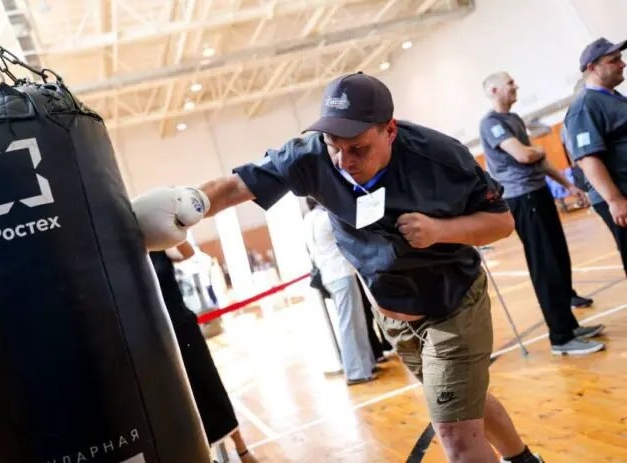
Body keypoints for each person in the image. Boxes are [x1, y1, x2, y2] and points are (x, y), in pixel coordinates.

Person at [133, 72, 548, 463]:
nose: (343, 160)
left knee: (455, 431)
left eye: (358, 149)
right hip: (395, 318)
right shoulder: (312, 155)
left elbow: (501, 222)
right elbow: (238, 185)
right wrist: (190, 203)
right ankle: (524, 458)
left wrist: (441, 230)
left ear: (390, 130)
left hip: (453, 307)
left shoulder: (441, 158)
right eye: (334, 145)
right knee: (466, 402)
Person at [480, 72, 605, 356]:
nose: (516, 86)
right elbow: (523, 155)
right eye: (510, 83)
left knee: (559, 258)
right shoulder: (491, 123)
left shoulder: (514, 119)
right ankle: (560, 336)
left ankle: (569, 325)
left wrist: (569, 185)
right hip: (523, 199)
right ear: (494, 90)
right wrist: (535, 149)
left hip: (539, 193)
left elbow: (536, 157)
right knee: (545, 264)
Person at [149, 242, 259, 463]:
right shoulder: (123, 258)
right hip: (155, 337)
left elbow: (188, 253)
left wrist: (172, 229)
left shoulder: (160, 245)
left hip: (182, 328)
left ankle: (241, 449)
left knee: (210, 384)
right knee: (179, 400)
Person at [563, 37, 627, 277]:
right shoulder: (584, 106)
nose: (622, 64)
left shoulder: (613, 97)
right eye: (614, 60)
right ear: (592, 68)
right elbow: (588, 158)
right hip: (620, 195)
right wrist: (615, 200)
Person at [304, 197, 377, 385]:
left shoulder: (309, 219)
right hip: (341, 273)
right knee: (352, 324)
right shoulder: (326, 218)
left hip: (330, 275)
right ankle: (356, 372)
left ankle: (365, 366)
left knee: (352, 323)